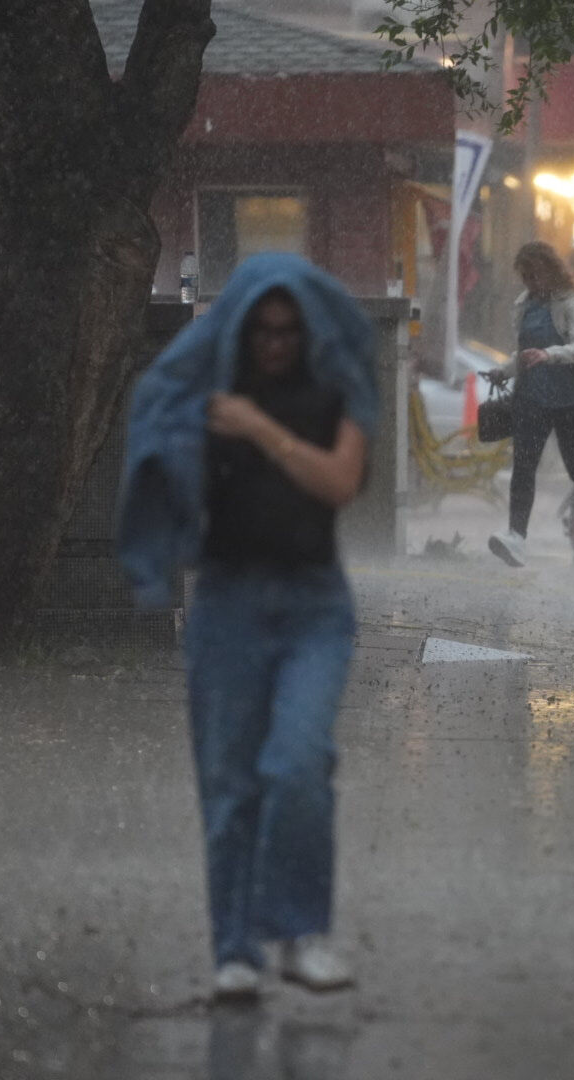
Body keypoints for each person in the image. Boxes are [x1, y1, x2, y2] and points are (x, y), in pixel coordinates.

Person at [116, 252, 379, 1001]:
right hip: (227, 603)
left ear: (308, 329)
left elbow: (340, 482)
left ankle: (300, 934)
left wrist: (261, 429)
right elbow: (155, 429)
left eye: (287, 330)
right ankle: (235, 949)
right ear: (240, 328)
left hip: (314, 607)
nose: (272, 344)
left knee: (298, 764)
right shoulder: (208, 387)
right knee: (229, 784)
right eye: (260, 330)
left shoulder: (339, 385)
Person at [487, 241, 574, 569]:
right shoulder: (523, 304)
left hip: (573, 400)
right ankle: (516, 538)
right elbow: (524, 352)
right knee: (524, 467)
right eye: (526, 277)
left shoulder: (571, 303)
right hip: (532, 398)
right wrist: (503, 371)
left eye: (536, 276)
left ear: (551, 271)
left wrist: (550, 355)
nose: (532, 284)